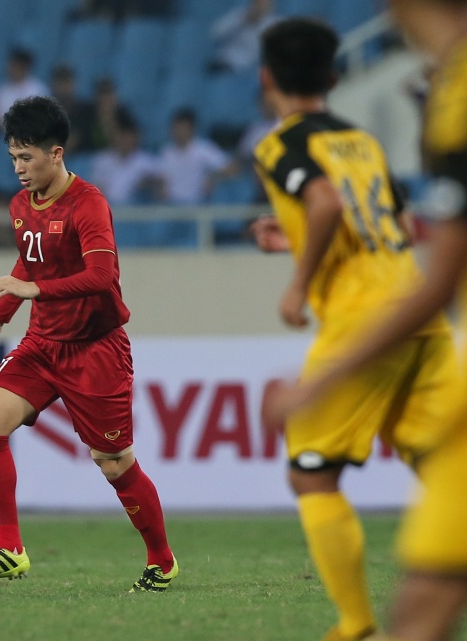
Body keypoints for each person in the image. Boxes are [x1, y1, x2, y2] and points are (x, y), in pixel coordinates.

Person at [263, 3, 467, 640]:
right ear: (334, 73)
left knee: (312, 470)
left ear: (267, 78)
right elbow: (399, 226)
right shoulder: (361, 139)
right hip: (415, 305)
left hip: (366, 318)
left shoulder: (282, 143)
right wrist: (292, 244)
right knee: (444, 466)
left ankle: (354, 623)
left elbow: (323, 201)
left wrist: (299, 284)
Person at [0, 96, 177, 592]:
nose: (18, 169)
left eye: (27, 157)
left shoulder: (89, 203)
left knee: (114, 463)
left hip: (96, 350)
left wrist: (33, 291)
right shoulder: (21, 205)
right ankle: (9, 550)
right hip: (43, 343)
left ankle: (162, 558)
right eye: (13, 157)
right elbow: (27, 266)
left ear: (56, 154)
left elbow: (101, 275)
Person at [155, 107, 237, 204]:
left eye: (182, 128)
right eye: (176, 128)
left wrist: (214, 177)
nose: (178, 132)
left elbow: (233, 168)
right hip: (172, 207)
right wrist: (159, 187)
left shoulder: (203, 149)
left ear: (191, 128)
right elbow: (159, 178)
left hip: (197, 207)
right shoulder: (166, 152)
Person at [90, 114, 160, 205]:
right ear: (115, 137)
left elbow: (159, 188)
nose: (124, 140)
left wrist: (148, 184)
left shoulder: (146, 162)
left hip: (136, 212)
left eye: (128, 136)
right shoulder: (102, 160)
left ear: (135, 138)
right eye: (121, 136)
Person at [208, 0, 280, 74]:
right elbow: (216, 33)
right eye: (259, 3)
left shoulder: (277, 25)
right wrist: (242, 20)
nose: (261, 6)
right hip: (225, 61)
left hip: (252, 69)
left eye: (265, 4)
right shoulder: (239, 15)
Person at [0, 48, 50, 127]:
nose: (12, 69)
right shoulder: (0, 90)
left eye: (16, 66)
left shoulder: (38, 90)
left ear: (25, 67)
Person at [49, 64, 94, 153]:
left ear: (73, 83)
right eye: (60, 82)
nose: (63, 87)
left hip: (83, 158)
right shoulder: (46, 111)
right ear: (53, 84)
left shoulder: (85, 109)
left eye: (66, 82)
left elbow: (73, 140)